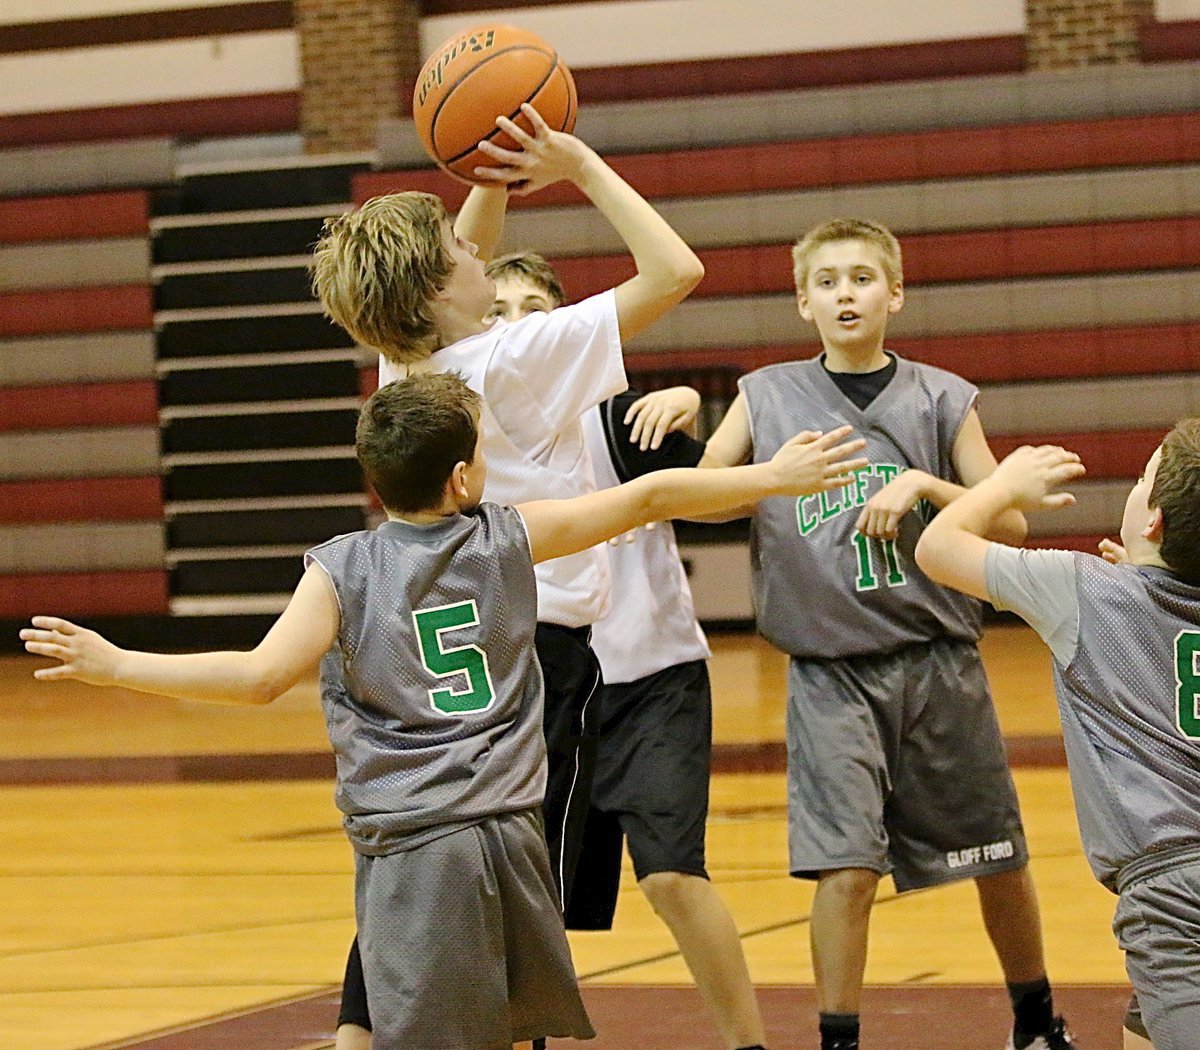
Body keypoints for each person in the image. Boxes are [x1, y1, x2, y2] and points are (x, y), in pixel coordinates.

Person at [20, 372, 869, 1050]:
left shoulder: (340, 567)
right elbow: (649, 499)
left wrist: (117, 662)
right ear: (463, 477)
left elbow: (258, 677)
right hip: (508, 832)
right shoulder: (505, 536)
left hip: (421, 841)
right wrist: (772, 475)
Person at [310, 106, 704, 1050]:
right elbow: (678, 272)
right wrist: (576, 164)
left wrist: (491, 171)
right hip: (539, 649)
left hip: (438, 637)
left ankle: (358, 1033)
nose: (475, 244)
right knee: (511, 860)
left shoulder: (403, 360)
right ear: (438, 286)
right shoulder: (515, 357)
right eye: (455, 245)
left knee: (429, 831)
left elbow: (457, 257)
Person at [703, 217, 1075, 1050]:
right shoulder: (765, 394)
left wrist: (919, 482)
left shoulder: (944, 396)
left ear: (894, 293)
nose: (845, 292)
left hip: (940, 663)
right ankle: (839, 1040)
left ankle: (1036, 1023)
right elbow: (702, 495)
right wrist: (771, 474)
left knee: (999, 856)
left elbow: (1008, 517)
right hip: (830, 674)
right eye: (827, 280)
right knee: (847, 870)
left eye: (862, 277)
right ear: (803, 301)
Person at [491, 251, 769, 1050]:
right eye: (497, 308)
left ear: (561, 325)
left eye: (533, 307)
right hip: (538, 686)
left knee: (675, 877)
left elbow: (715, 497)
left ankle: (749, 1044)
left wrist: (696, 409)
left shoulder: (612, 414)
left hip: (650, 680)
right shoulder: (469, 429)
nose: (514, 321)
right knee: (528, 891)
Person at [914, 427, 1200, 1050]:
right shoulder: (1114, 590)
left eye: (1139, 481)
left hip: (1173, 896)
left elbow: (938, 548)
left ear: (1152, 521)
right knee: (1141, 1028)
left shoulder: (1082, 588)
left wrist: (999, 488)